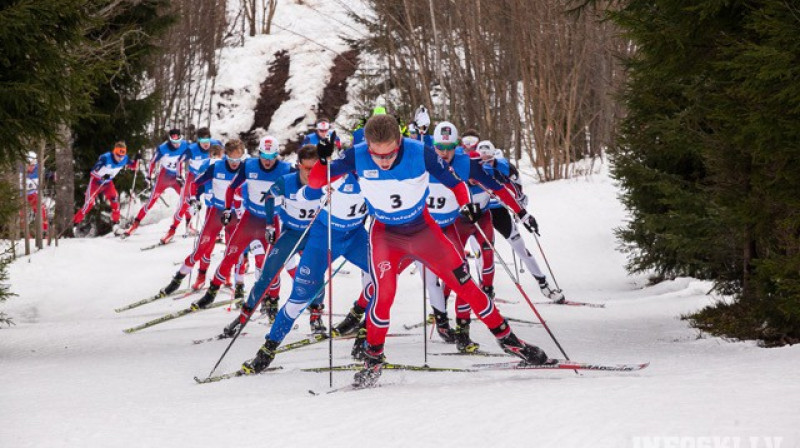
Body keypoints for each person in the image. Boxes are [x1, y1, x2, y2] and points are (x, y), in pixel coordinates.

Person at [308, 114, 549, 387]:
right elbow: (316, 182)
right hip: (386, 235)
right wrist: (325, 160)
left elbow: (455, 183)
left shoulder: (419, 152)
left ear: (399, 142)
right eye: (378, 156)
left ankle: (510, 341)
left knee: (465, 284)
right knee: (383, 294)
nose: (384, 161)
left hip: (423, 231)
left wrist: (464, 204)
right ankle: (373, 359)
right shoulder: (357, 155)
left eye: (389, 154)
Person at [238, 171, 375, 374]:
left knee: (382, 279)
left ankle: (366, 336)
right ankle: (267, 350)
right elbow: (304, 194)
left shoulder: (379, 174)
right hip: (324, 238)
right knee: (300, 297)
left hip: (355, 236)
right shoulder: (334, 171)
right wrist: (323, 185)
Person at [421, 123, 534, 353]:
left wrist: (522, 213)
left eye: (449, 147)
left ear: (457, 146)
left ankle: (462, 330)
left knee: (463, 274)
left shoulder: (465, 163)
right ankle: (368, 331)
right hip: (424, 228)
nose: (444, 153)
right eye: (440, 147)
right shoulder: (423, 160)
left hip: (455, 224)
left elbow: (498, 188)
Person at [211, 145, 322, 320]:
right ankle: (252, 302)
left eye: (314, 168)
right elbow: (244, 195)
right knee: (263, 264)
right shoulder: (261, 176)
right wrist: (233, 212)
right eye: (307, 168)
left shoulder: (323, 180)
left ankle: (308, 310)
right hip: (264, 225)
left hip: (303, 231)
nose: (268, 161)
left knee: (306, 270)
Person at [191, 135, 293, 307]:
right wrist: (227, 209)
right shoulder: (249, 165)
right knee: (230, 255)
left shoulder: (286, 168)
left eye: (271, 157)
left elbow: (307, 181)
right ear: (259, 153)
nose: (267, 161)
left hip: (271, 221)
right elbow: (231, 188)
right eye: (264, 156)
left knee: (270, 264)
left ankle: (273, 301)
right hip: (249, 219)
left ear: (277, 155)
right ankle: (211, 292)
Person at [157, 140, 245, 297]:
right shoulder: (214, 167)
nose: (234, 163)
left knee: (234, 250)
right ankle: (178, 280)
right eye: (231, 159)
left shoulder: (246, 169)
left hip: (234, 214)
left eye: (237, 160)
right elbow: (196, 184)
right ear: (225, 156)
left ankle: (231, 280)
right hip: (216, 212)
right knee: (201, 249)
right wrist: (194, 200)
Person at [482, 146, 566, 303]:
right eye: (484, 160)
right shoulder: (473, 169)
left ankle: (544, 285)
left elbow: (517, 192)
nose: (488, 163)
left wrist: (523, 214)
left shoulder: (504, 168)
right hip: (481, 214)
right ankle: (485, 292)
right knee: (484, 253)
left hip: (500, 212)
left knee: (520, 248)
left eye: (491, 160)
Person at [160, 127, 221, 244]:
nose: (206, 144)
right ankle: (171, 231)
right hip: (193, 178)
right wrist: (178, 176)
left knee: (215, 203)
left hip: (209, 177)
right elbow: (179, 161)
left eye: (207, 141)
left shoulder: (216, 145)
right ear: (198, 141)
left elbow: (227, 156)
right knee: (185, 204)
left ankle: (214, 232)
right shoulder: (191, 149)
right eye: (202, 142)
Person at [124, 128, 189, 236]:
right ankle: (135, 225)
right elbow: (152, 162)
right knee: (151, 202)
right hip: (164, 177)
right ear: (169, 140)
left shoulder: (185, 145)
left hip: (177, 177)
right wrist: (148, 177)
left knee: (186, 199)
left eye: (178, 141)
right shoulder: (162, 148)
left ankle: (188, 226)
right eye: (174, 142)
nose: (176, 144)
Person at [74, 142, 138, 227]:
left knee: (115, 200)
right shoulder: (105, 158)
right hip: (95, 182)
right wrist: (102, 177)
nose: (120, 158)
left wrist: (137, 160)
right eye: (118, 155)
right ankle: (75, 222)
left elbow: (133, 166)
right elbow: (93, 172)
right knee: (89, 203)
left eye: (122, 156)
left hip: (108, 184)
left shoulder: (125, 159)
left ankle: (116, 222)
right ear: (114, 152)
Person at [24, 151, 49, 234]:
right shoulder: (21, 170)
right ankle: (22, 231)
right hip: (23, 195)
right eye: (29, 165)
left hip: (34, 194)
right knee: (22, 212)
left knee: (41, 209)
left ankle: (44, 230)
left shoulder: (38, 169)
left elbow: (47, 174)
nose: (31, 167)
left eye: (32, 165)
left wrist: (53, 175)